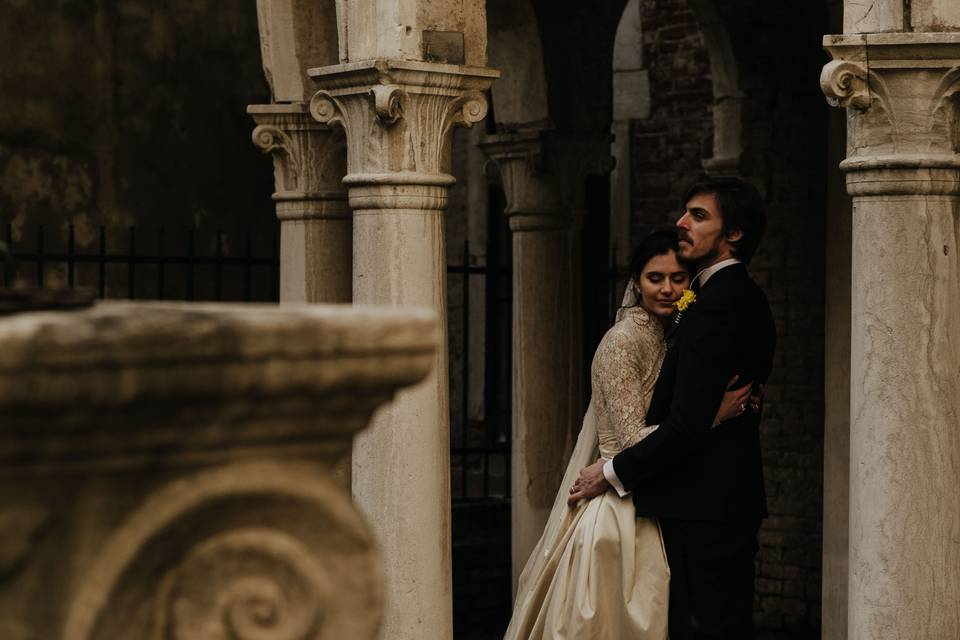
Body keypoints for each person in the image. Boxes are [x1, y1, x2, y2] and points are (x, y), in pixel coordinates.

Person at [503, 228, 754, 640]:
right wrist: (712, 415)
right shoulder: (622, 341)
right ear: (636, 282)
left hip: (653, 497)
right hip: (616, 513)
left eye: (677, 278)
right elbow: (633, 438)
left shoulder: (670, 336)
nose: (668, 289)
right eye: (656, 278)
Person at [569, 177, 776, 639]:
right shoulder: (730, 298)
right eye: (685, 212)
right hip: (710, 501)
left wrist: (609, 472)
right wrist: (713, 415)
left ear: (734, 233)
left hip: (703, 507)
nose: (682, 222)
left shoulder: (715, 306)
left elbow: (683, 427)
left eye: (699, 215)